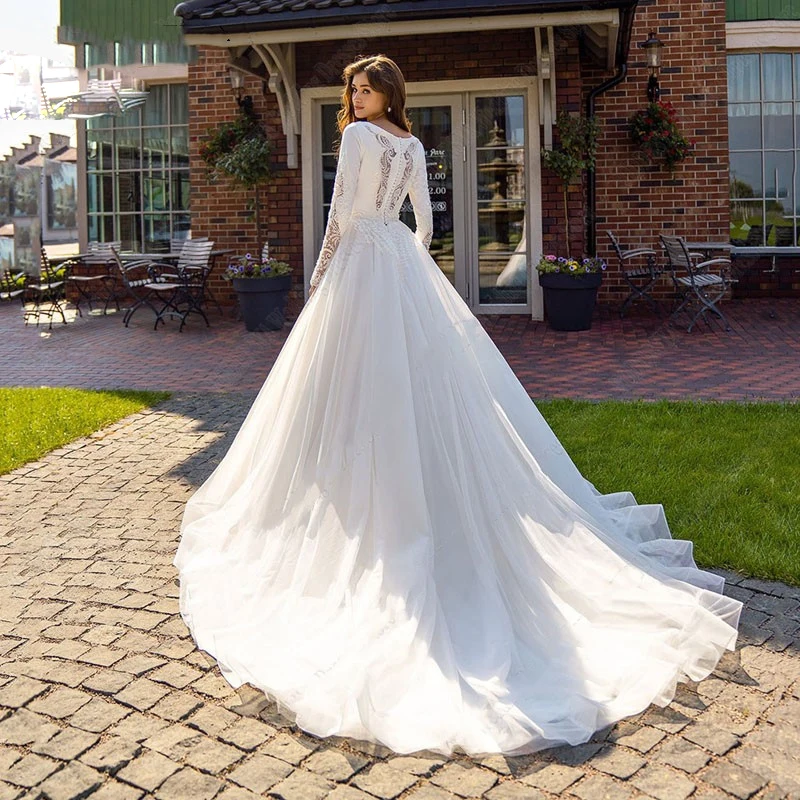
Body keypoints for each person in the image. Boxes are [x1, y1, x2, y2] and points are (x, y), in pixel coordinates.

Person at [174, 54, 742, 757]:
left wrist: (321, 281)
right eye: (352, 89)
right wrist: (405, 259)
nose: (355, 97)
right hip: (401, 270)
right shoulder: (412, 146)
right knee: (413, 385)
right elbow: (425, 224)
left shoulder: (356, 139)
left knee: (354, 386)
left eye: (365, 87)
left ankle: (363, 498)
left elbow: (337, 217)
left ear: (387, 94)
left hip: (361, 268)